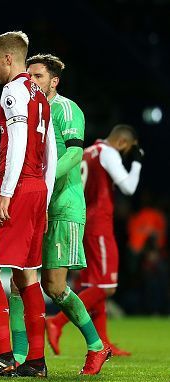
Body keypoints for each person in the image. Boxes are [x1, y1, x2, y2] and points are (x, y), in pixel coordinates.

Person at [6, 54, 112, 375]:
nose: (33, 81)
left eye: (39, 76)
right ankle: (21, 358)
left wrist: (44, 181)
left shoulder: (67, 109)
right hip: (35, 204)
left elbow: (75, 154)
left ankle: (97, 346)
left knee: (54, 286)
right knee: (18, 282)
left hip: (63, 206)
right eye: (30, 76)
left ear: (54, 81)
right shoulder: (27, 110)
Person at [0, 32, 57, 378]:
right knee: (26, 275)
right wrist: (44, 201)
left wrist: (6, 192)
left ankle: (3, 353)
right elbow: (50, 152)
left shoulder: (13, 90)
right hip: (36, 190)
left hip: (17, 188)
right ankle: (35, 360)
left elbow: (18, 141)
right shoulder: (41, 96)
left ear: (7, 58)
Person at [48, 124, 143, 357]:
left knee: (94, 284)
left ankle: (104, 342)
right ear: (121, 142)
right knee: (106, 287)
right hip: (99, 223)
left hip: (84, 218)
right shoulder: (108, 152)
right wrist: (138, 163)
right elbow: (128, 188)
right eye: (127, 149)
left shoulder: (90, 151)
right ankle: (56, 322)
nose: (125, 154)